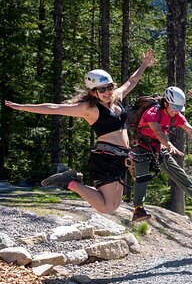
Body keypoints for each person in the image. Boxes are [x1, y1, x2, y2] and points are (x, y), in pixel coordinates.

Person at [4, 51, 155, 214]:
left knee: (114, 205)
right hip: (106, 158)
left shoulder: (116, 97)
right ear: (93, 92)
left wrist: (144, 64)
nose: (107, 92)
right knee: (107, 207)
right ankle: (71, 182)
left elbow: (131, 81)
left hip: (120, 158)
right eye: (102, 89)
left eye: (109, 87)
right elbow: (54, 108)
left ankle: (73, 181)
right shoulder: (88, 109)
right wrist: (22, 107)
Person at [130, 86, 192, 223]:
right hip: (140, 145)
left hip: (157, 147)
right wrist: (169, 145)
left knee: (179, 173)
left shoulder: (176, 115)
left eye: (178, 108)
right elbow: (158, 132)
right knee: (142, 176)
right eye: (173, 107)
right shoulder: (153, 112)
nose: (176, 111)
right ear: (165, 103)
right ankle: (138, 209)